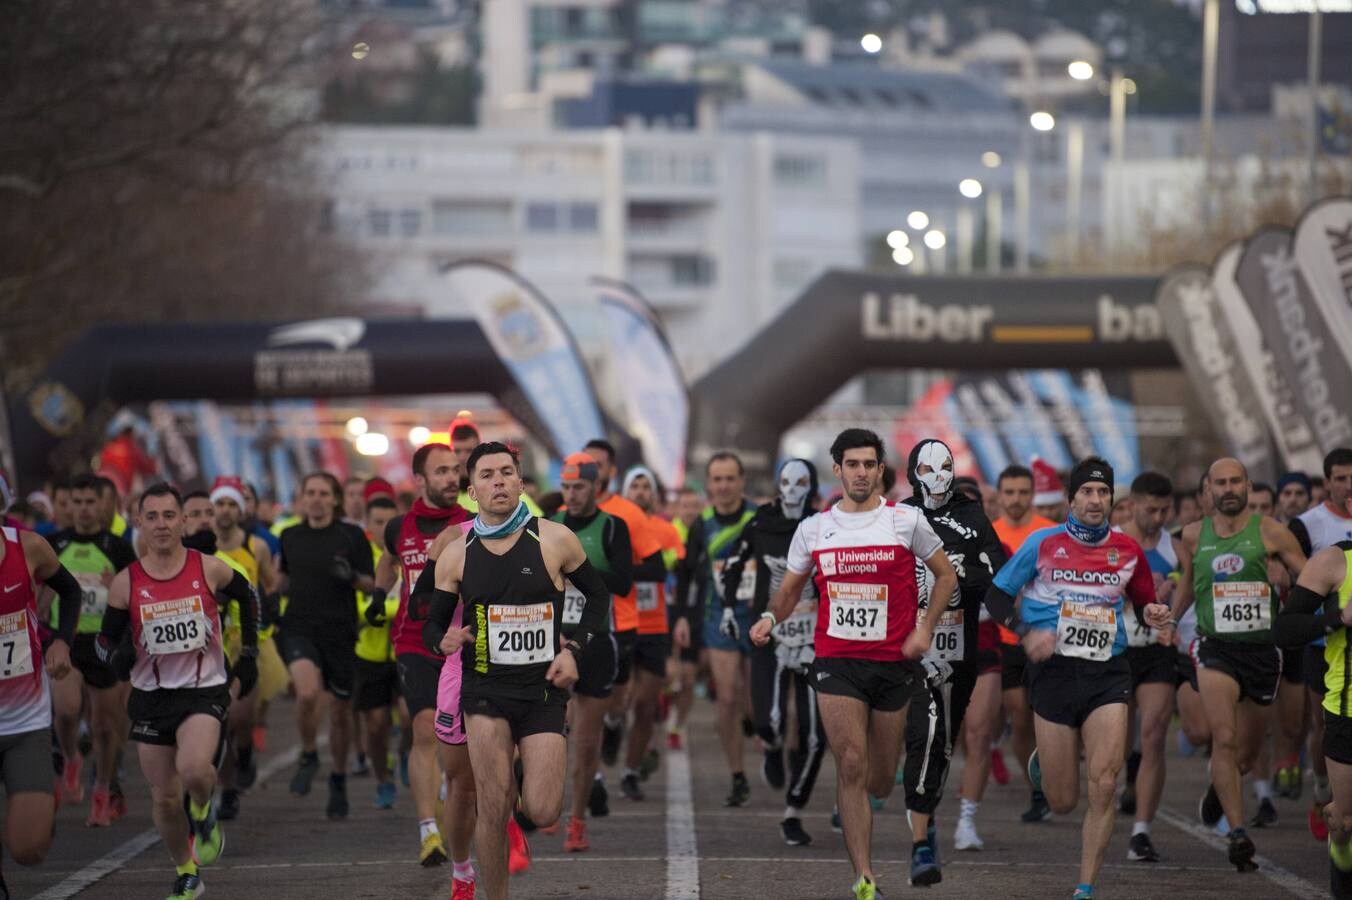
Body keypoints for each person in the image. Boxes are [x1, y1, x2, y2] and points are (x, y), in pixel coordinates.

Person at [751, 428, 957, 900]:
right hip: (836, 662)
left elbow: (945, 575)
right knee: (849, 763)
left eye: (869, 464)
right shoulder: (816, 529)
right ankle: (865, 881)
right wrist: (769, 616)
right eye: (852, 464)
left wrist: (924, 628)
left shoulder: (905, 522)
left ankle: (902, 820)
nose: (861, 472)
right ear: (838, 469)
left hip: (892, 664)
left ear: (880, 469)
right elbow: (789, 590)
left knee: (881, 779)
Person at [422, 441, 613, 900]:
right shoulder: (456, 553)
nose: (499, 482)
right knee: (491, 803)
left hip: (543, 690)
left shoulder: (553, 539)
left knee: (545, 809)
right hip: (484, 688)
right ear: (472, 490)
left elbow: (599, 599)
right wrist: (440, 640)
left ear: (521, 483)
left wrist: (573, 652)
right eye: (486, 475)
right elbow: (430, 620)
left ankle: (518, 816)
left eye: (506, 472)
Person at [983, 457, 1167, 900]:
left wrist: (1154, 612)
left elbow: (1144, 600)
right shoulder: (1042, 543)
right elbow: (995, 596)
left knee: (1104, 782)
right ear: (1071, 498)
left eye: (1103, 493)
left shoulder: (1127, 550)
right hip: (1054, 671)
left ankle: (1085, 886)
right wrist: (1028, 633)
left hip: (1108, 671)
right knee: (1063, 801)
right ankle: (1045, 764)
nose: (1095, 500)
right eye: (1086, 492)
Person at [95, 483, 261, 900]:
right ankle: (187, 872)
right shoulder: (125, 583)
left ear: (183, 521)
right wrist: (116, 657)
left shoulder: (209, 568)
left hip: (203, 691)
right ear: (139, 523)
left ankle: (203, 811)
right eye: (152, 517)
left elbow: (247, 595)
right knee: (166, 800)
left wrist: (250, 655)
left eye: (170, 516)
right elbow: (103, 640)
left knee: (192, 769)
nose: (162, 525)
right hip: (152, 698)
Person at [1164, 457, 1306, 871]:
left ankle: (1217, 788)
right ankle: (1239, 834)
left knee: (1245, 754)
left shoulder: (1271, 532)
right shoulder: (1193, 535)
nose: (1228, 489)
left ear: (1246, 486)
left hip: (1262, 652)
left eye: (1235, 481)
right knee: (1223, 738)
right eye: (1220, 483)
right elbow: (1190, 584)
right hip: (1215, 648)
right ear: (1208, 489)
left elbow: (1311, 578)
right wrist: (1171, 619)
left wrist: (1292, 588)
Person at [898, 440, 1007, 884]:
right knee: (923, 734)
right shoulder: (899, 516)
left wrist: (963, 582)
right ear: (913, 471)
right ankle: (920, 846)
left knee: (943, 741)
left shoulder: (973, 517)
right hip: (910, 649)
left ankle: (925, 815)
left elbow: (999, 574)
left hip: (960, 649)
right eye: (928, 467)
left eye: (946, 467)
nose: (938, 475)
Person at [367, 443, 475, 870]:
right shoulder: (398, 526)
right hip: (414, 641)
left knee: (460, 743)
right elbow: (388, 562)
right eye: (442, 471)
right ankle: (429, 831)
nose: (453, 478)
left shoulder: (473, 522)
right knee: (424, 728)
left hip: (465, 640)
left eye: (455, 470)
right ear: (421, 480)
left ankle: (457, 799)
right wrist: (379, 595)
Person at [721, 459, 827, 847]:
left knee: (816, 736)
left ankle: (793, 811)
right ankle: (772, 743)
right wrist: (730, 607)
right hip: (769, 632)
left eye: (801, 481)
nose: (793, 488)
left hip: (817, 637)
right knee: (770, 720)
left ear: (812, 484)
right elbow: (731, 565)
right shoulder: (760, 523)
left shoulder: (822, 525)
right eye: (786, 481)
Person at [276, 472, 375, 819]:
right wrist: (270, 598)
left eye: (323, 493)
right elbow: (283, 579)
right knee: (306, 693)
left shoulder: (351, 536)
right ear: (302, 498)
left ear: (334, 498)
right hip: (299, 627)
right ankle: (308, 753)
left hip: (340, 631)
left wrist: (351, 576)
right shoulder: (289, 536)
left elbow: (370, 583)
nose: (316, 499)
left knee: (340, 714)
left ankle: (338, 778)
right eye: (310, 493)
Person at [550, 453, 633, 850]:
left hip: (596, 641)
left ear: (595, 487)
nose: (572, 494)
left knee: (585, 741)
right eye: (566, 487)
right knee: (545, 735)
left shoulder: (613, 528)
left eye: (579, 487)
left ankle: (577, 820)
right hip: (552, 641)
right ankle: (545, 804)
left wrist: (578, 569)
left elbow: (623, 582)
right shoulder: (550, 527)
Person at [45, 473, 138, 824]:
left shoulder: (117, 547)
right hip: (64, 640)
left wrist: (116, 587)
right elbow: (38, 592)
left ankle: (102, 790)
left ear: (103, 505)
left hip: (105, 642)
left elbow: (137, 596)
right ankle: (70, 757)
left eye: (90, 502)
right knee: (67, 710)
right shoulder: (53, 544)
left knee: (104, 726)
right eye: (76, 502)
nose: (83, 509)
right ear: (66, 504)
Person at [0, 513, 83, 900]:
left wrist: (62, 640)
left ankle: (36, 807)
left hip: (23, 722)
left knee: (29, 849)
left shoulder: (27, 547)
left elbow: (70, 591)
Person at [580, 440, 665, 810]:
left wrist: (614, 572)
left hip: (624, 621)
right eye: (585, 465)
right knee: (583, 705)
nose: (590, 472)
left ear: (611, 472)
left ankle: (616, 726)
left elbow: (656, 566)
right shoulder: (565, 516)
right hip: (578, 623)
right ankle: (594, 777)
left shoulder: (629, 514)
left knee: (618, 703)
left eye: (598, 465)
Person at [1273, 532, 1352, 898]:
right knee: (1346, 821)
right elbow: (1286, 630)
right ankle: (1340, 850)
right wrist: (1337, 618)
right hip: (1346, 708)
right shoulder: (1334, 562)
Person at [676, 452, 758, 807]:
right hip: (718, 619)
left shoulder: (759, 519)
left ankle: (763, 734)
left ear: (741, 482)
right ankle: (738, 775)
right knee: (726, 697)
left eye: (730, 479)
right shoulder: (702, 524)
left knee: (756, 701)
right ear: (709, 484)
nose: (723, 486)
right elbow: (688, 575)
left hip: (758, 619)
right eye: (717, 479)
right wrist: (682, 617)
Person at [1114, 472, 1186, 862]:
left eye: (1164, 510)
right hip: (1117, 649)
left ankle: (1141, 831)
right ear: (1133, 504)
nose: (1157, 517)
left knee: (1155, 733)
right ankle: (1106, 809)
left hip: (1156, 651)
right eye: (1150, 509)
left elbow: (1188, 582)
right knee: (1115, 741)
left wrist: (1172, 616)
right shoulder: (1112, 541)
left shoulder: (1174, 548)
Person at [1288, 448, 1352, 838]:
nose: (1347, 484)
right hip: (1326, 656)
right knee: (1318, 723)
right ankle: (1324, 791)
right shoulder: (1313, 531)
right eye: (1341, 478)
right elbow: (1289, 622)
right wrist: (1336, 617)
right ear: (1328, 482)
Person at [989, 464, 1057, 825]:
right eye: (1009, 492)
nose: (1015, 500)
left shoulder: (1048, 533)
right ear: (999, 495)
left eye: (1022, 493)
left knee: (1040, 714)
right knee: (1018, 715)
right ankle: (1036, 787)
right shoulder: (990, 534)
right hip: (1005, 640)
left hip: (1046, 638)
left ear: (1032, 496)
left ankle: (1052, 771)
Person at [618, 466, 684, 799]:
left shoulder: (666, 531)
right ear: (625, 492)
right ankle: (615, 725)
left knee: (646, 703)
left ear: (655, 494)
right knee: (620, 699)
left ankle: (630, 771)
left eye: (647, 486)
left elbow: (671, 573)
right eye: (636, 486)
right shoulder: (615, 526)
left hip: (655, 625)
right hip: (621, 622)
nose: (641, 492)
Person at [666, 486, 704, 749]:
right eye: (685, 506)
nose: (690, 511)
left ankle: (677, 726)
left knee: (689, 677)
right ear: (677, 509)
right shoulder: (668, 534)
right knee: (670, 674)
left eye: (694, 506)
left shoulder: (706, 535)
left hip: (695, 611)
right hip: (667, 610)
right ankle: (665, 697)